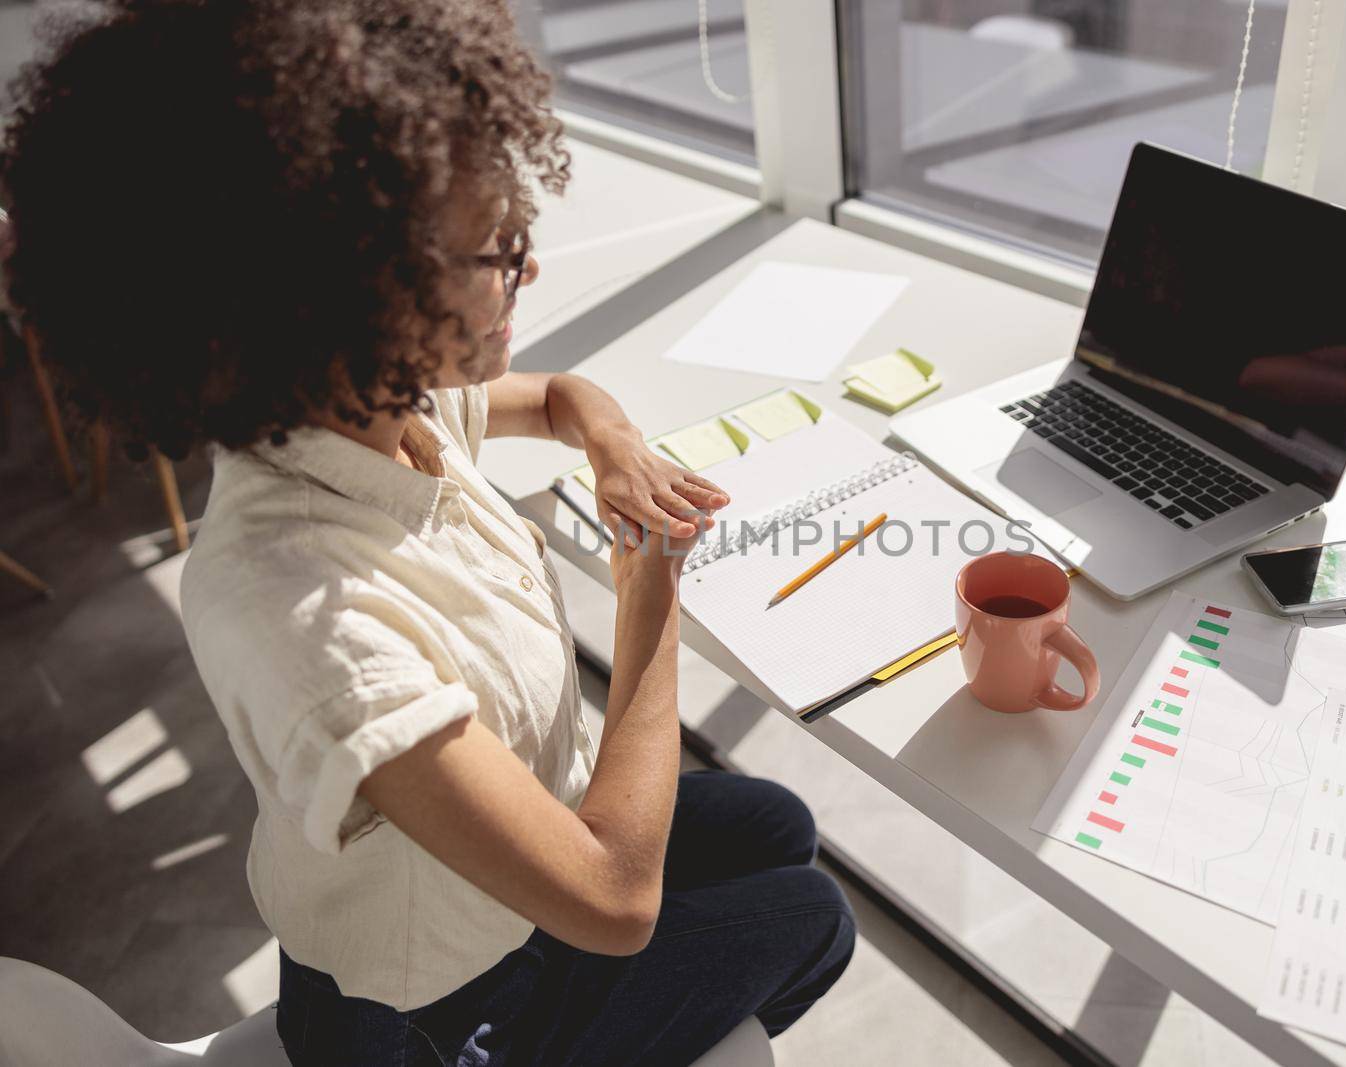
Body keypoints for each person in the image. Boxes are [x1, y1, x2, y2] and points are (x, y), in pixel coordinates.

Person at [0, 1, 855, 1063]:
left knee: (773, 823)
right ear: (348, 297)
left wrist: (614, 442)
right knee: (815, 917)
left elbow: (554, 397)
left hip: (486, 897)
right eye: (499, 249)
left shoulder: (367, 410)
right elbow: (613, 897)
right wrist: (652, 596)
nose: (527, 271)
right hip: (434, 1017)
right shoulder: (307, 615)